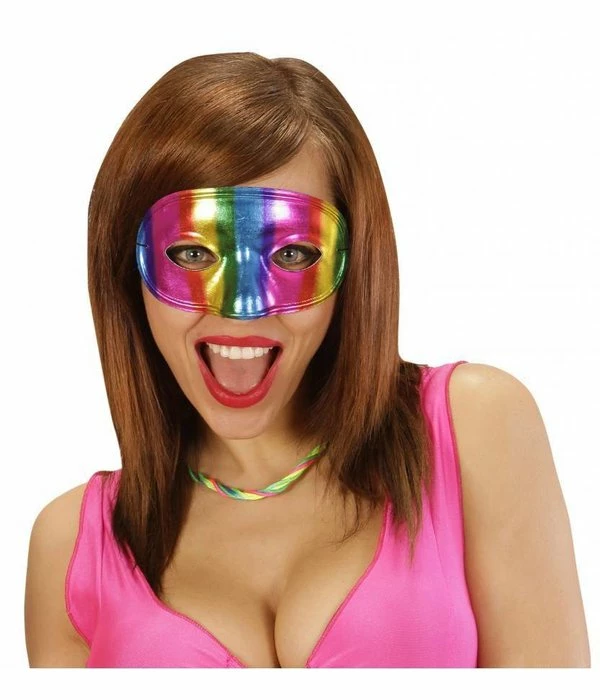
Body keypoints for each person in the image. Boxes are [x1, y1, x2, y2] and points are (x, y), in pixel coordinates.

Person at [24, 52, 590, 668]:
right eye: (191, 253)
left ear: (353, 264)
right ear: (126, 267)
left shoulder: (472, 427)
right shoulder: (72, 546)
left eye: (292, 255)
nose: (243, 310)